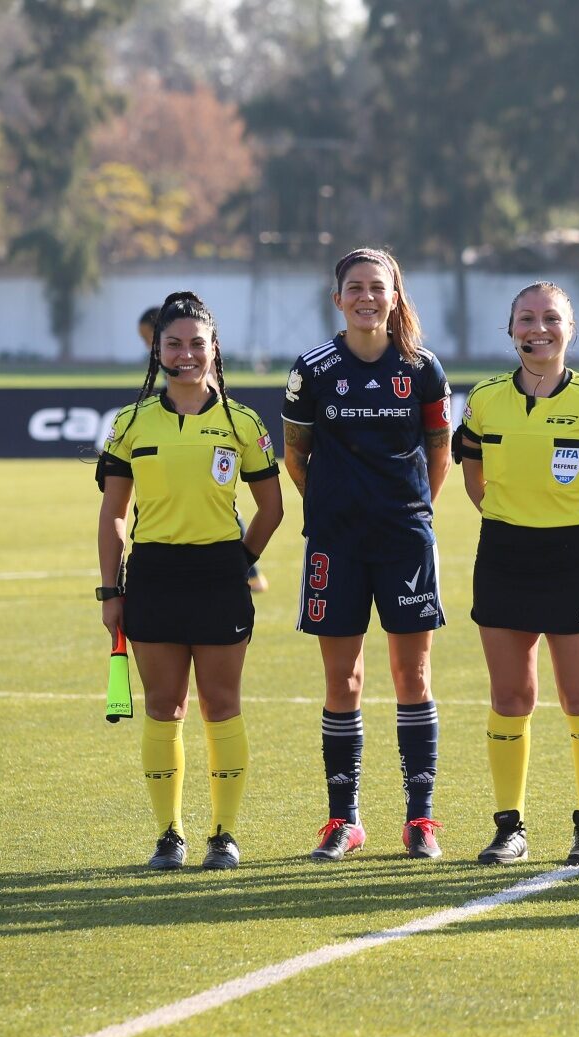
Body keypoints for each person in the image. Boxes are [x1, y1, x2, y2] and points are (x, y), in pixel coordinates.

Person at [453, 281, 579, 865]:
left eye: (551, 318)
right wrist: (511, 523)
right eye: (526, 319)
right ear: (510, 330)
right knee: (511, 696)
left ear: (570, 329)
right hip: (503, 557)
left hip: (573, 559)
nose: (539, 329)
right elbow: (473, 477)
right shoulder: (484, 399)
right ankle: (509, 827)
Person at [97, 291, 283, 871]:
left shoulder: (241, 421)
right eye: (172, 344)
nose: (185, 354)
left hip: (218, 578)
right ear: (157, 350)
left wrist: (237, 560)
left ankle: (224, 835)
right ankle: (169, 835)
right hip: (152, 577)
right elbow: (113, 515)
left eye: (196, 344)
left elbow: (272, 507)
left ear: (213, 350)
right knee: (163, 705)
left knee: (221, 705)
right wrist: (111, 590)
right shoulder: (131, 423)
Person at [282, 248, 453, 861]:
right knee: (343, 678)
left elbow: (439, 451)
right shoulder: (313, 369)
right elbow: (295, 454)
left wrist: (409, 511)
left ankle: (420, 820)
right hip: (336, 542)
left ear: (395, 296)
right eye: (354, 287)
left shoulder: (423, 368)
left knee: (412, 675)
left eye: (377, 287)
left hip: (405, 541)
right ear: (338, 299)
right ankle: (344, 819)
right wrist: (334, 506)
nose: (365, 297)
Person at [142, 305, 269, 595]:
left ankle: (250, 570)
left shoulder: (199, 369)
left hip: (209, 439)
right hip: (158, 567)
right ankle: (250, 571)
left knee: (218, 502)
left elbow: (272, 508)